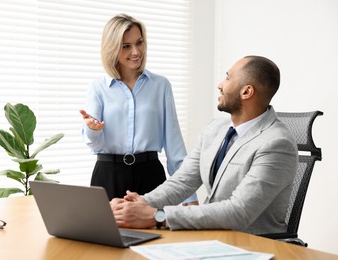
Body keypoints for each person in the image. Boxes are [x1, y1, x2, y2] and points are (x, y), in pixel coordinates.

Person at [110, 55, 298, 235]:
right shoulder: (215, 128)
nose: (220, 85)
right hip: (211, 237)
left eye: (228, 77)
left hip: (251, 244)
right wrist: (136, 204)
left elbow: (238, 212)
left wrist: (157, 216)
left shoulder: (277, 144)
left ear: (246, 91)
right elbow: (183, 181)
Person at [80, 13, 197, 204]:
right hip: (108, 175)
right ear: (112, 48)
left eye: (139, 42)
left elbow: (175, 148)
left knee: (158, 232)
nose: (136, 51)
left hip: (151, 175)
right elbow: (95, 146)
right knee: (106, 233)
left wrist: (189, 198)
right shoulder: (98, 87)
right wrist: (92, 129)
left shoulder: (161, 85)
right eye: (126, 46)